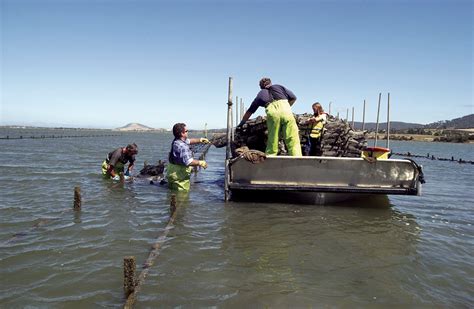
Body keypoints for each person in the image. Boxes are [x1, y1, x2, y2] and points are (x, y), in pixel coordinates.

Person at [238, 77, 302, 156]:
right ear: (270, 83)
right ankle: (297, 156)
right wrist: (287, 107)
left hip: (273, 114)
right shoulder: (279, 87)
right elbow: (293, 97)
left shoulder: (261, 93)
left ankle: (271, 155)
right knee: (292, 137)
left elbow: (250, 111)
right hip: (287, 112)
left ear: (262, 86)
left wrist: (242, 122)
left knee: (273, 137)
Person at [167, 123, 210, 191]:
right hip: (179, 175)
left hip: (172, 172)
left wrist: (200, 140)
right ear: (182, 133)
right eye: (186, 131)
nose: (188, 132)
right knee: (182, 195)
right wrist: (200, 162)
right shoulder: (182, 146)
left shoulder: (177, 141)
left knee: (172, 192)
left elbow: (189, 141)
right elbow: (189, 161)